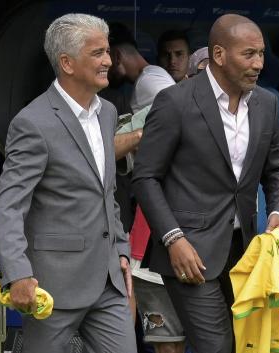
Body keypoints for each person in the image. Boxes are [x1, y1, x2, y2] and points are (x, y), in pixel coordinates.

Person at [132, 14, 279, 353]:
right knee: (216, 345)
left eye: (261, 53)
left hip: (247, 251)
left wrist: (277, 215)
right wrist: (173, 238)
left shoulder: (267, 103)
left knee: (244, 344)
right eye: (249, 54)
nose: (259, 63)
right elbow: (145, 177)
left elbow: (277, 169)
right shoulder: (175, 101)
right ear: (219, 55)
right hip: (190, 252)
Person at [0, 13, 136, 353]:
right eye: (97, 53)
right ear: (67, 63)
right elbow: (9, 205)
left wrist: (121, 249)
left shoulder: (108, 113)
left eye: (108, 51)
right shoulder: (33, 122)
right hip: (51, 286)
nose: (108, 61)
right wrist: (17, 274)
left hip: (108, 282)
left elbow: (106, 193)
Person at [107, 22, 185, 353]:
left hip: (162, 227)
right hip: (150, 227)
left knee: (168, 338)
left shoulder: (153, 83)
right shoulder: (147, 83)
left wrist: (133, 138)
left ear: (116, 54)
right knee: (163, 333)